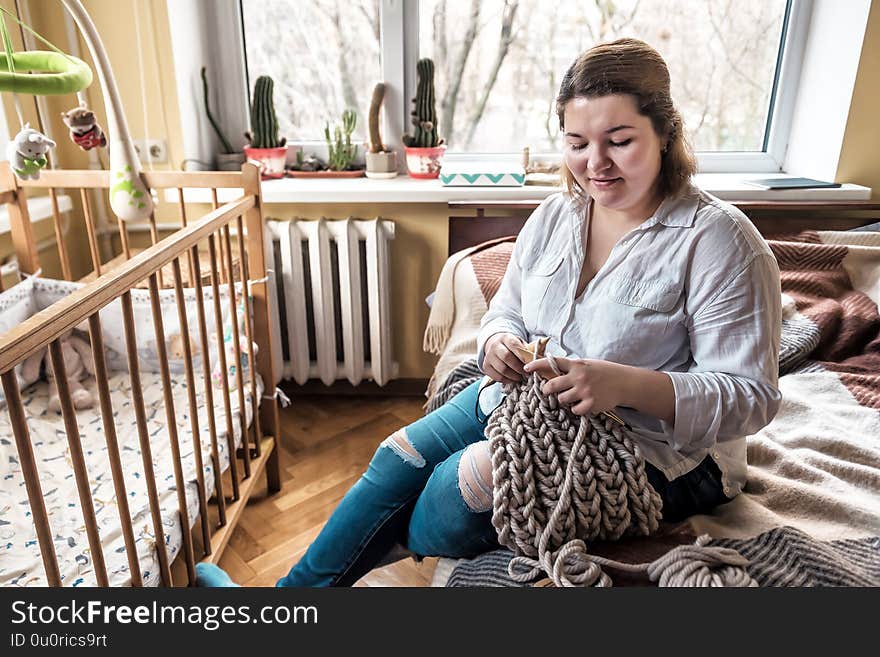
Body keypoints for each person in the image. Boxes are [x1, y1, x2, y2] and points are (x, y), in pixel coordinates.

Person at [197, 37, 781, 588]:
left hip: (657, 451)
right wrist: (497, 342)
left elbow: (750, 396)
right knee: (394, 456)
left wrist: (623, 385)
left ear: (665, 132)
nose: (595, 163)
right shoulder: (556, 217)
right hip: (533, 403)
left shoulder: (721, 241)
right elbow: (508, 311)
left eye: (619, 140)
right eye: (577, 143)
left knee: (460, 490)